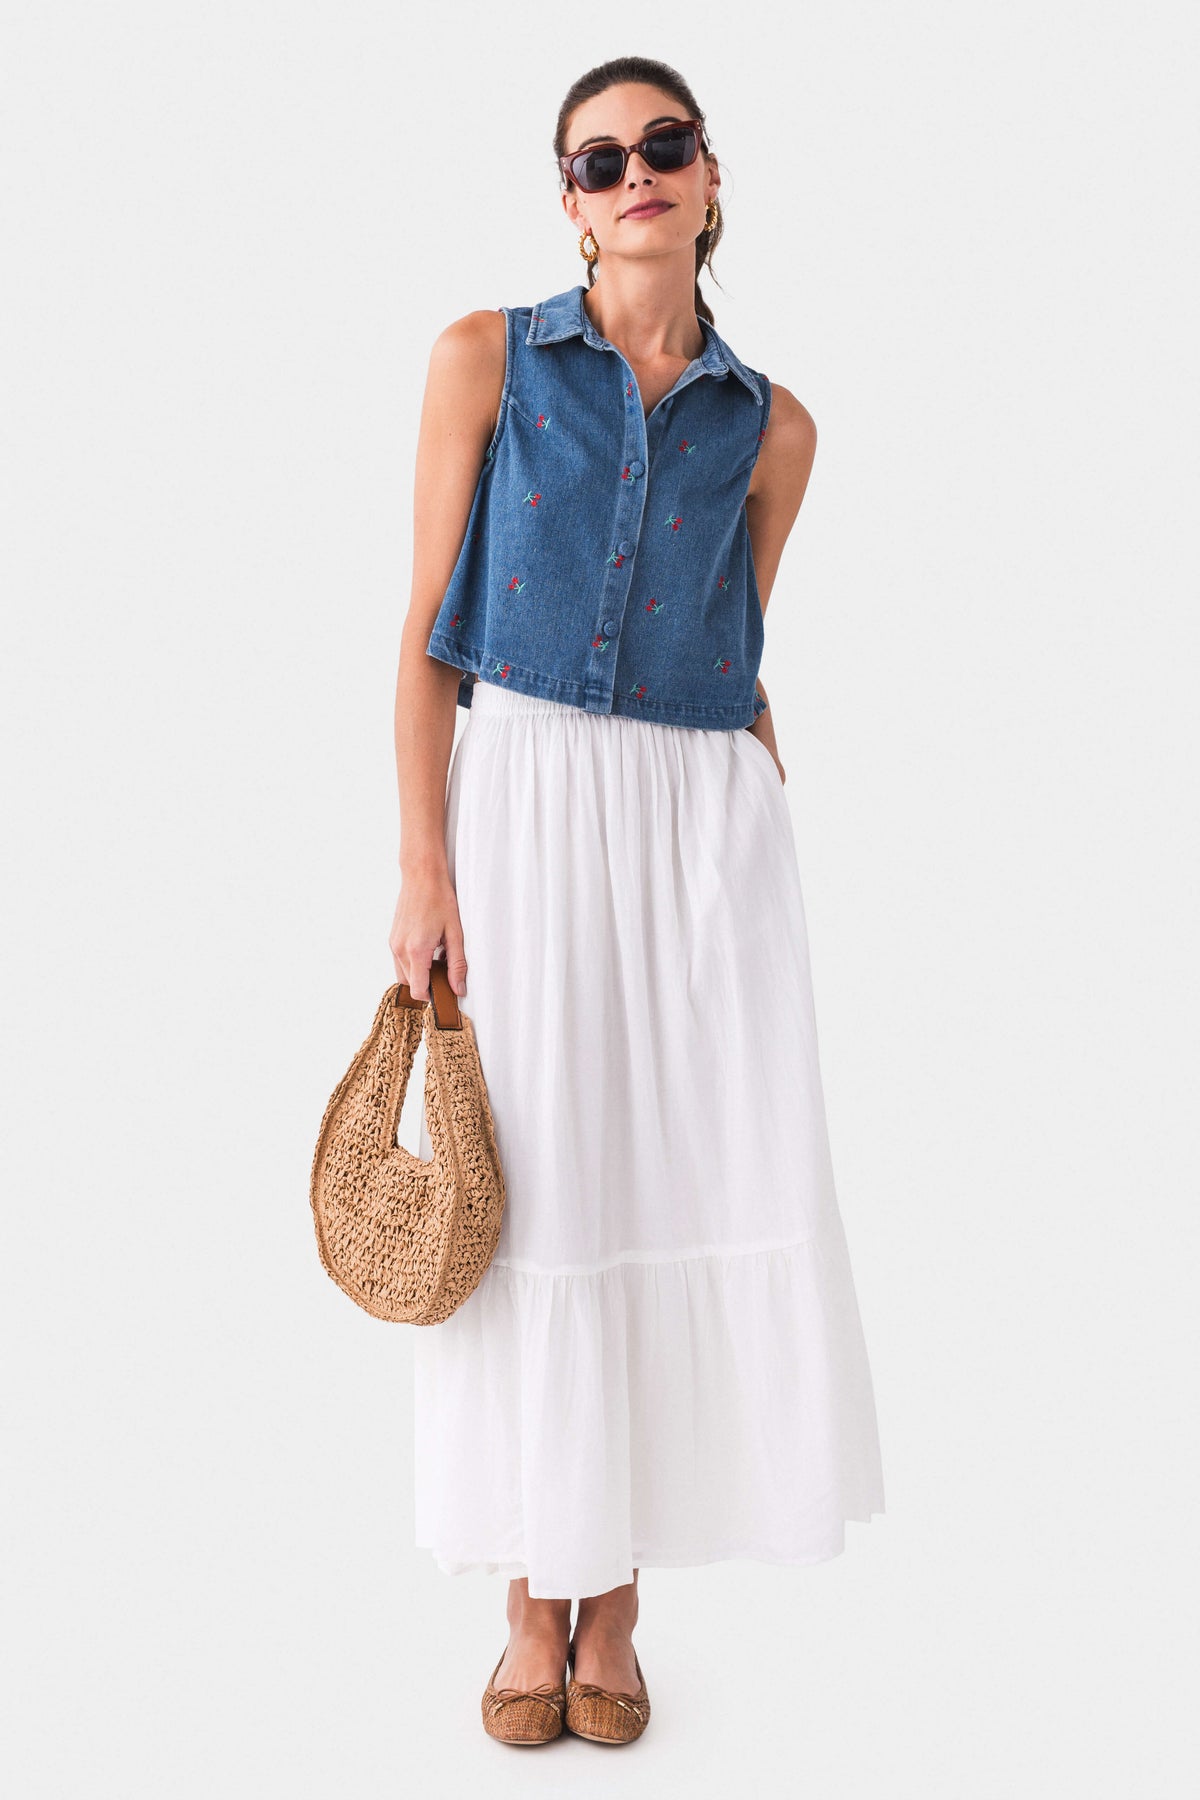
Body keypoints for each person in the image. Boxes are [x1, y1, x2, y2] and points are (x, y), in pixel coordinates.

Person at [389, 56, 885, 1747]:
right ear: (572, 205)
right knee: (540, 1187)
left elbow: (736, 648)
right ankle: (537, 1594)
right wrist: (423, 866)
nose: (634, 174)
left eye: (663, 146)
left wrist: (755, 818)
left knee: (670, 1171)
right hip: (523, 808)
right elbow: (426, 640)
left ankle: (618, 1601)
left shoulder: (776, 427)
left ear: (710, 176)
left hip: (695, 830)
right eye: (599, 161)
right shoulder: (484, 360)